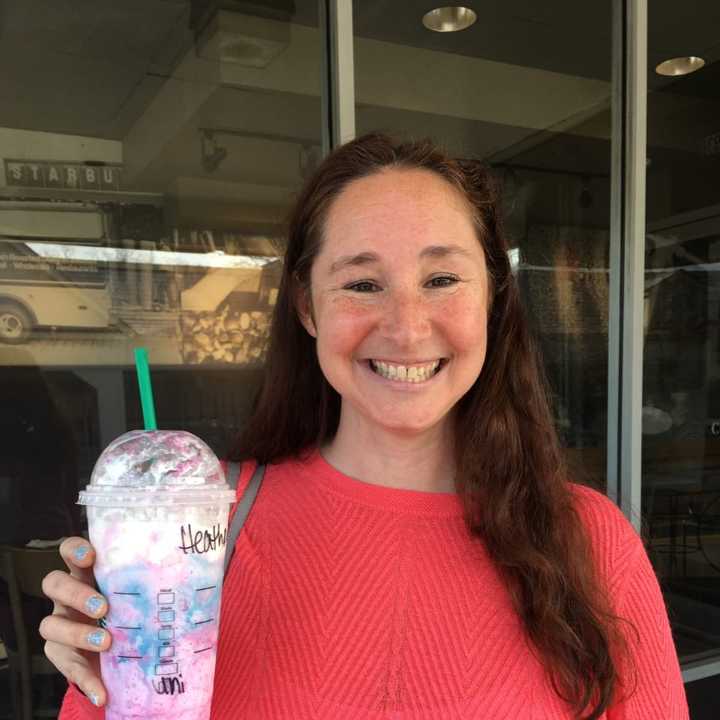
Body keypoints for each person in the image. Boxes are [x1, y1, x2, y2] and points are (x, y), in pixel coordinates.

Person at [39, 133, 688, 719]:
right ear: (307, 306)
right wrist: (108, 676)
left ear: (492, 297)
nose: (407, 327)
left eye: (441, 278)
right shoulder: (192, 536)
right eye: (362, 284)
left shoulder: (593, 543)